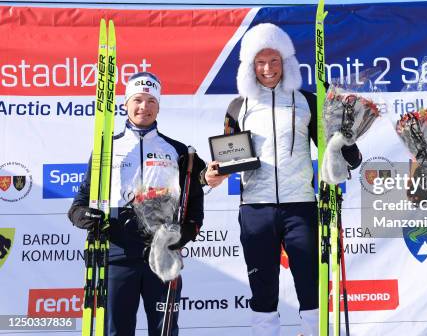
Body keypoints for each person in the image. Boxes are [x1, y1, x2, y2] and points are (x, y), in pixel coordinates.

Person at [206, 23, 361, 336]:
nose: (267, 68)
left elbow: (343, 154)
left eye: (274, 61)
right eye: (260, 62)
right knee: (262, 286)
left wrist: (343, 134)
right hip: (255, 208)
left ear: (286, 63)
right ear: (250, 66)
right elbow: (227, 157)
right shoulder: (238, 106)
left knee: (309, 284)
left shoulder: (307, 100)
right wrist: (213, 173)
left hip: (300, 206)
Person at [68, 72, 220, 336]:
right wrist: (83, 215)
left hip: (162, 253)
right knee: (116, 330)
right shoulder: (106, 148)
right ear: (125, 104)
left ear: (159, 106)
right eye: (137, 100)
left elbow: (194, 201)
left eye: (151, 101)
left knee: (165, 331)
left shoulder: (178, 150)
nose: (144, 107)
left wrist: (185, 234)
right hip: (117, 253)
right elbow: (80, 202)